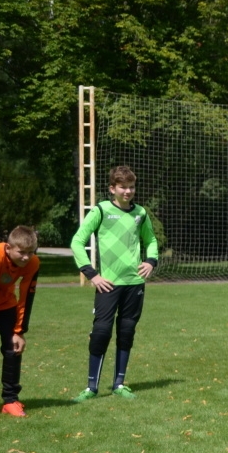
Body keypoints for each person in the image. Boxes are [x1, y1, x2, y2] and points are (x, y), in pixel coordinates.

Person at [70, 165, 159, 402]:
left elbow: (150, 240)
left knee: (126, 332)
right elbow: (77, 241)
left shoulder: (140, 213)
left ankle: (119, 383)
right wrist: (92, 274)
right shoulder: (101, 210)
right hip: (107, 284)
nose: (128, 191)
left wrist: (151, 261)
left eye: (131, 187)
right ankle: (91, 388)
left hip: (134, 284)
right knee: (101, 332)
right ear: (112, 188)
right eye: (123, 187)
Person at [0, 227, 40, 416]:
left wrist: (19, 330)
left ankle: (10, 400)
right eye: (21, 252)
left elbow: (26, 297)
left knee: (14, 348)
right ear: (8, 248)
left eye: (30, 252)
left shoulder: (33, 263)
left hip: (5, 304)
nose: (26, 257)